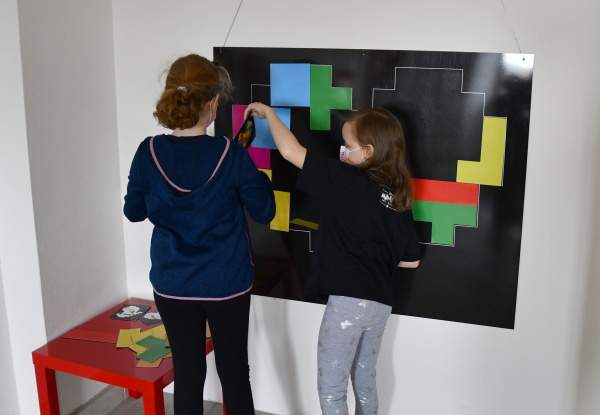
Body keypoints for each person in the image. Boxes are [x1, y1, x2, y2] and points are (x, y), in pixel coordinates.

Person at [244, 103, 421, 415]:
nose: (343, 153)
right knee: (365, 380)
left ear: (368, 151)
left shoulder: (346, 179)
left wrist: (269, 115)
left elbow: (290, 151)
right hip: (380, 304)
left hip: (347, 304)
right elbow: (411, 261)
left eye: (348, 146)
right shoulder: (396, 197)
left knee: (331, 389)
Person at [124, 54, 275, 415]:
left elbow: (134, 212)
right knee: (234, 372)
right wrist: (249, 173)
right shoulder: (231, 154)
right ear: (214, 102)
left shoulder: (147, 152)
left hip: (173, 284)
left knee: (188, 374)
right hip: (227, 284)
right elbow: (264, 211)